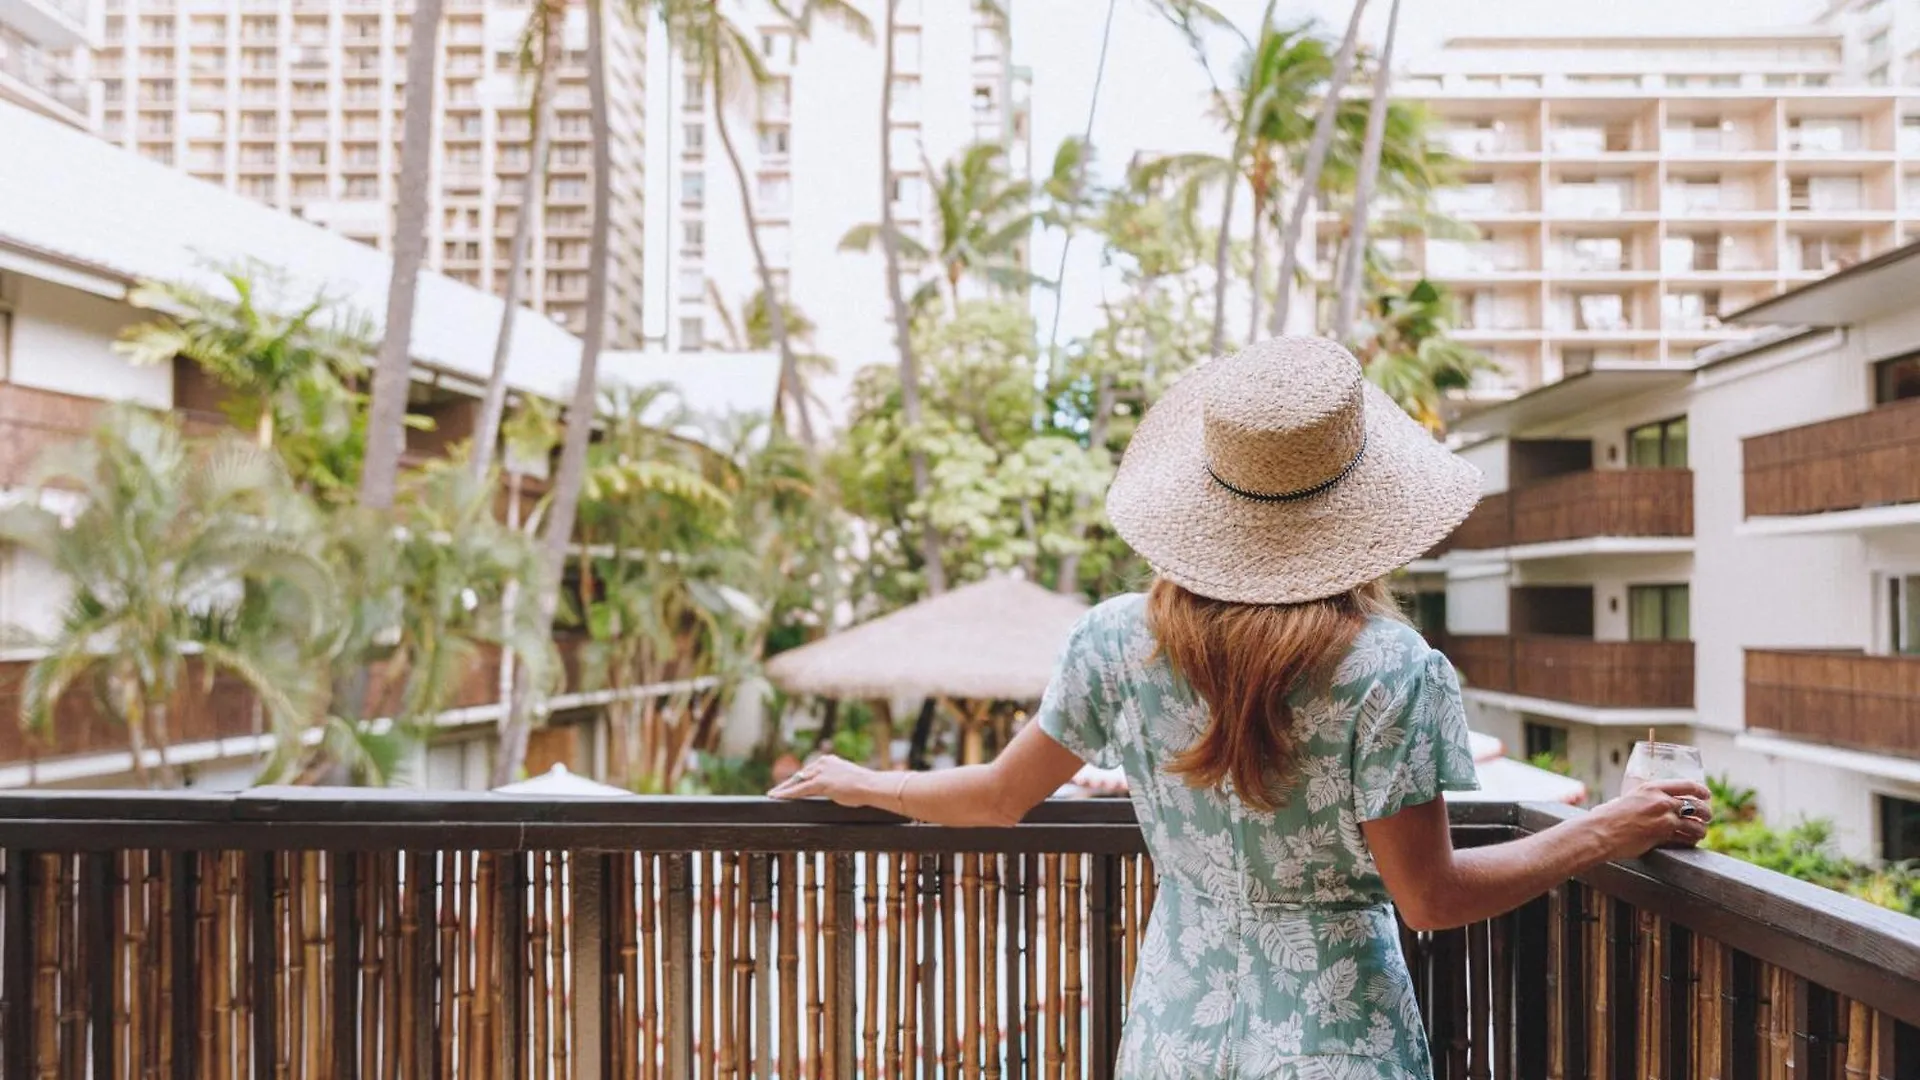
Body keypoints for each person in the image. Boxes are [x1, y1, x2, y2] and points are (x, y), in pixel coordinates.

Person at [771, 337, 1711, 1079]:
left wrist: (863, 780)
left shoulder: (1115, 641)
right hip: (1339, 1044)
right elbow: (1431, 897)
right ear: (1362, 506)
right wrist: (1604, 832)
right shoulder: (1390, 670)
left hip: (1177, 1037)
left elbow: (995, 798)